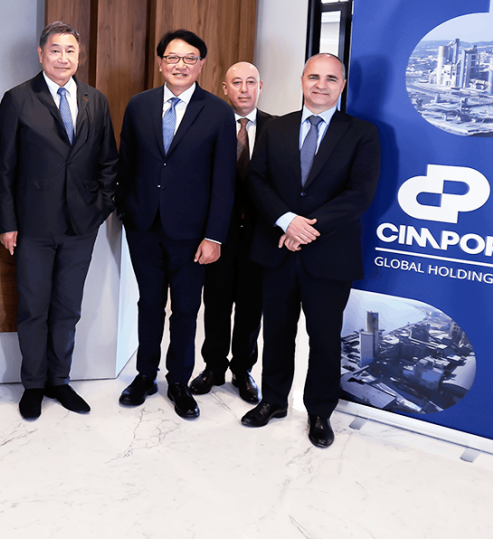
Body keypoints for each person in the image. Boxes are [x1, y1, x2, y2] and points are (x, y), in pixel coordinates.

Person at [241, 53, 380, 448]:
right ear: (302, 80)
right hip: (276, 250)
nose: (321, 85)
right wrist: (287, 221)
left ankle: (319, 411)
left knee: (324, 337)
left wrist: (305, 229)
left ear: (342, 85)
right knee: (277, 332)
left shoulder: (362, 133)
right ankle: (273, 400)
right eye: (314, 77)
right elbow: (256, 180)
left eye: (331, 78)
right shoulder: (275, 127)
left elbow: (359, 194)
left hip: (330, 255)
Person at [0, 21, 118, 420]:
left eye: (70, 51)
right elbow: (3, 167)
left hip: (81, 225)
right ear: (41, 54)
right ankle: (33, 384)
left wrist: (101, 207)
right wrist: (7, 223)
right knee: (33, 307)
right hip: (32, 226)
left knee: (68, 308)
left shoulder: (95, 100)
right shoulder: (17, 99)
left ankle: (59, 380)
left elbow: (109, 161)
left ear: (79, 56)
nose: (63, 58)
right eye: (56, 50)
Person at [115, 29, 236, 420]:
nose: (179, 65)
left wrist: (214, 236)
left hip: (193, 234)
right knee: (148, 304)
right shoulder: (139, 105)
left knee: (185, 309)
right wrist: (125, 211)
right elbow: (126, 164)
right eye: (172, 57)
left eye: (189, 59)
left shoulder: (218, 112)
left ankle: (179, 382)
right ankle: (144, 376)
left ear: (201, 64)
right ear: (160, 62)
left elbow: (224, 181)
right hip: (144, 226)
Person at [190, 62, 272, 404]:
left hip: (260, 236)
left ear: (260, 86)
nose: (244, 89)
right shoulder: (211, 124)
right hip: (218, 234)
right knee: (216, 304)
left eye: (251, 82)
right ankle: (213, 367)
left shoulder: (277, 128)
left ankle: (243, 369)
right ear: (225, 89)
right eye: (236, 82)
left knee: (252, 308)